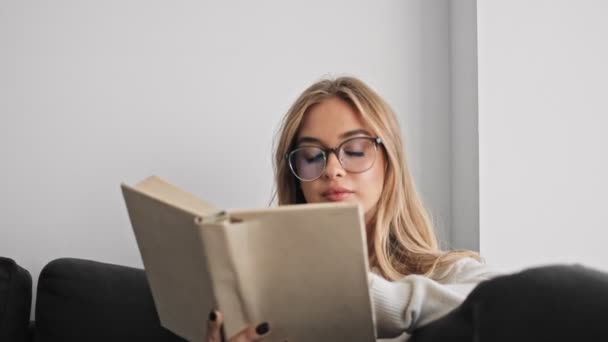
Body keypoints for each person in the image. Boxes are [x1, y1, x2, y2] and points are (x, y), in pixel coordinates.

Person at [206, 76, 499, 342]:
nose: (332, 170)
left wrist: (367, 297)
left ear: (389, 161)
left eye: (355, 151)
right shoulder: (265, 296)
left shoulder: (448, 276)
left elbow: (509, 309)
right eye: (311, 156)